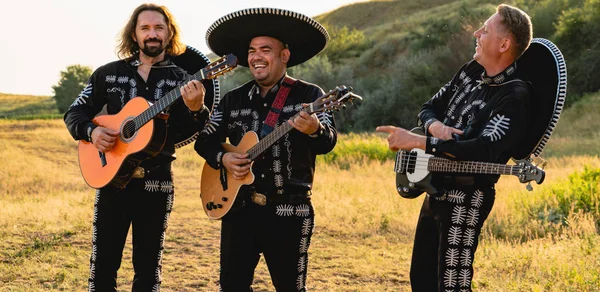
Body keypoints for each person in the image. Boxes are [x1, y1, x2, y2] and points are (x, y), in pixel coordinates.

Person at [377, 4, 533, 291]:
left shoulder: (515, 95)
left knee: (452, 286)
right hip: (434, 188)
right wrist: (434, 126)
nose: (477, 33)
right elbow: (428, 108)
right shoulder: (470, 72)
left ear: (504, 44)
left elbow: (483, 149)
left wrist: (421, 141)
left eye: (485, 30)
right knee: (421, 281)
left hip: (467, 198)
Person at [63, 3, 216, 291]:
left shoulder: (182, 79)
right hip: (112, 182)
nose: (152, 34)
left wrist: (197, 110)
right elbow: (74, 113)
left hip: (156, 184)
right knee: (102, 269)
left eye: (159, 28)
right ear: (134, 34)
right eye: (145, 28)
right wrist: (92, 132)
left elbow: (188, 132)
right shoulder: (107, 74)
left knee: (148, 271)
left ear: (169, 33)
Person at [196, 8, 336, 291]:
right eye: (252, 50)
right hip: (239, 211)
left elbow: (328, 141)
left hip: (289, 210)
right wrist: (224, 158)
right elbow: (204, 141)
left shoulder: (311, 96)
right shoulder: (233, 100)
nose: (256, 56)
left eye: (266, 49)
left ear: (284, 55)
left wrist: (314, 129)